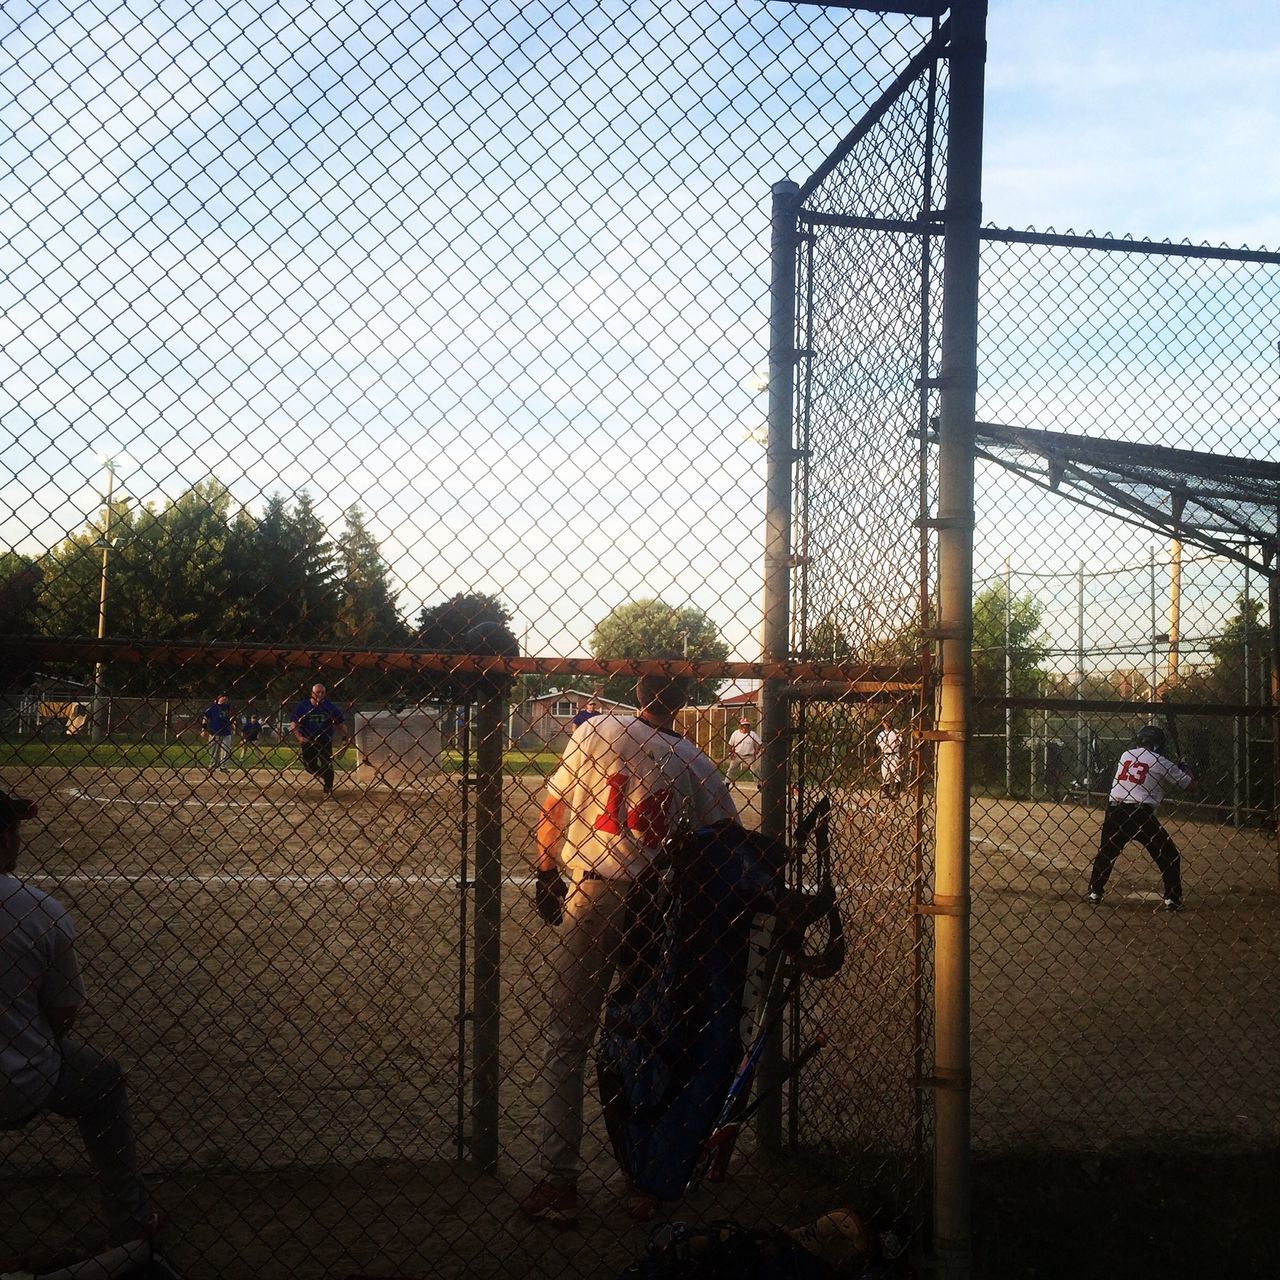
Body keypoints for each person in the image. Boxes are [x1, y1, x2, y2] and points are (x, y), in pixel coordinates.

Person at [520, 668, 738, 1225]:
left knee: (569, 1034)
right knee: (651, 1039)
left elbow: (553, 810)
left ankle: (560, 1182)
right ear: (685, 701)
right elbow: (724, 844)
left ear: (638, 692)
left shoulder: (596, 731)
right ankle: (647, 1178)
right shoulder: (698, 763)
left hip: (593, 893)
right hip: (658, 911)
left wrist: (546, 871)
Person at [0, 790, 157, 1243]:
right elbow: (63, 1013)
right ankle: (129, 1219)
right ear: (3, 839)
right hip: (21, 1080)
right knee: (103, 1080)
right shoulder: (39, 909)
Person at [1087, 724, 1196, 911]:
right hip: (1141, 815)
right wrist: (1185, 768)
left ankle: (1095, 892)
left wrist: (1176, 769)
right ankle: (1172, 899)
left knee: (1107, 852)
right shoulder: (1162, 762)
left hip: (1115, 812)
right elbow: (1190, 786)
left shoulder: (1126, 755)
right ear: (1158, 744)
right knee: (1168, 855)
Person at [290, 682, 348, 796]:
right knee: (309, 766)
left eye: (322, 692)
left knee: (327, 764)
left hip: (324, 740)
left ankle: (328, 788)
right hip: (308, 740)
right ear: (312, 693)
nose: (320, 694)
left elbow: (340, 723)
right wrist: (299, 737)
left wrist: (346, 736)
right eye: (317, 692)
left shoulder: (330, 707)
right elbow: (293, 723)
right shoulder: (303, 706)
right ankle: (325, 775)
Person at [201, 694, 234, 771]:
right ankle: (212, 765)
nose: (225, 698)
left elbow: (231, 717)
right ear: (219, 698)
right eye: (223, 697)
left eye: (226, 697)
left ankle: (223, 767)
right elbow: (205, 718)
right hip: (214, 732)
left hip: (226, 732)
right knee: (213, 750)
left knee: (226, 750)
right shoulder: (213, 707)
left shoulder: (228, 707)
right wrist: (203, 729)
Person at [725, 716, 762, 781]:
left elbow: (760, 743)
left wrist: (757, 750)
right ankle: (727, 783)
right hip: (737, 755)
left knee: (754, 771)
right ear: (740, 726)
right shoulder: (735, 733)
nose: (745, 727)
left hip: (749, 756)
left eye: (747, 725)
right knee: (731, 770)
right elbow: (730, 744)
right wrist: (730, 753)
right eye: (743, 725)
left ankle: (759, 785)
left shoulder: (752, 734)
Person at [875, 717, 905, 798]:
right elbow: (877, 745)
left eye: (887, 722)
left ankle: (897, 791)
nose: (886, 724)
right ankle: (886, 792)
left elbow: (901, 744)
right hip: (885, 755)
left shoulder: (896, 732)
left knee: (895, 772)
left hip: (894, 754)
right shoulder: (881, 734)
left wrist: (901, 755)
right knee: (885, 773)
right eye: (884, 722)